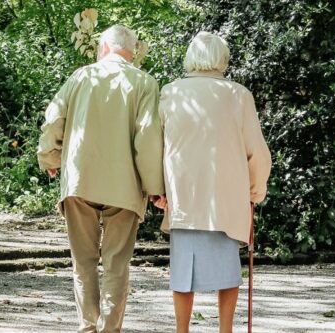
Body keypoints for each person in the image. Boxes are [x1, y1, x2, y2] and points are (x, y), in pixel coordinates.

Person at [37, 25, 165, 333]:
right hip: (125, 187)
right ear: (132, 52)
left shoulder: (81, 77)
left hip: (80, 180)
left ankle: (87, 326)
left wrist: (50, 158)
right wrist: (155, 188)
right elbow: (147, 139)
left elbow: (54, 120)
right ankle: (109, 329)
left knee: (83, 261)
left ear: (104, 47)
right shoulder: (145, 83)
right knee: (116, 264)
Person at [154, 31, 272, 333]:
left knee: (183, 271)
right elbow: (257, 151)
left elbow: (156, 146)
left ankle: (182, 330)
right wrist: (255, 192)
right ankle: (226, 330)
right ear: (223, 59)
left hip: (183, 194)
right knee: (228, 270)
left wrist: (157, 191)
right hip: (226, 196)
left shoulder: (171, 92)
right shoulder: (238, 95)